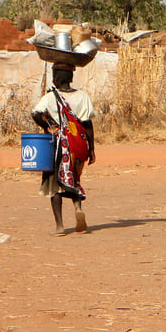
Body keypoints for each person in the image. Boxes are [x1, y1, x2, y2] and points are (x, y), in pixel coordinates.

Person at [31, 62, 96, 236]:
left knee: (55, 185)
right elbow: (88, 125)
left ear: (57, 77)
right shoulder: (83, 96)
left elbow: (35, 113)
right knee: (74, 178)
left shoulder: (51, 97)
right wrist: (91, 149)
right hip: (79, 145)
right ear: (71, 77)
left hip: (58, 144)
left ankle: (60, 226)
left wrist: (50, 125)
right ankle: (77, 208)